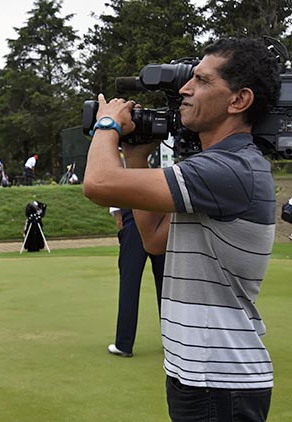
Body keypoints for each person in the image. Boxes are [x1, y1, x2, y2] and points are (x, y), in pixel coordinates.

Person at [83, 38, 280, 421]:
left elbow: (98, 184)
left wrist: (106, 124)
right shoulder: (215, 167)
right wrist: (137, 155)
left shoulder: (230, 170)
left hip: (220, 379)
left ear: (239, 101)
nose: (185, 89)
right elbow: (155, 238)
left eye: (202, 82)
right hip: (199, 373)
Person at [107, 207, 164, 358]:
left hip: (134, 219)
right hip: (160, 220)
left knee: (129, 284)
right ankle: (172, 342)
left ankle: (124, 344)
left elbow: (118, 185)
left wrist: (118, 215)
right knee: (166, 286)